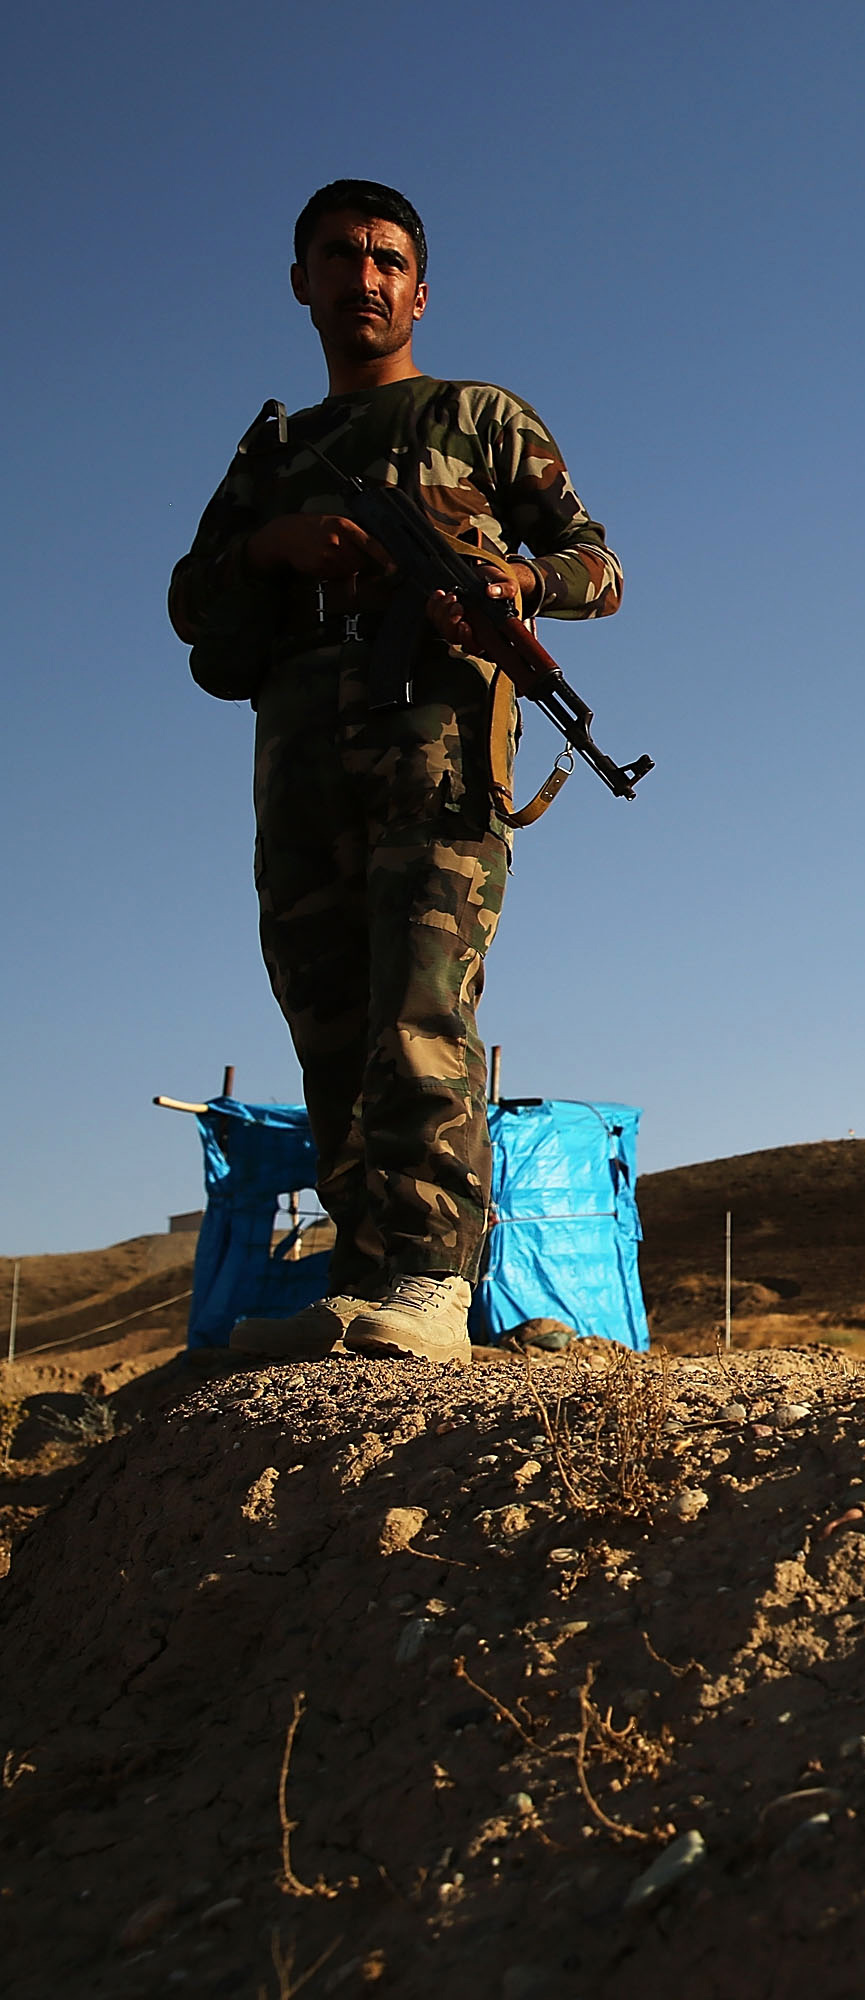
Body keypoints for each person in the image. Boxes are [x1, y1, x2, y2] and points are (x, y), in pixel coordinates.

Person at [168, 180, 623, 1365]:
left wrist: (518, 584)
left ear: (418, 289)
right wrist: (275, 545)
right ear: (302, 282)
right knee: (328, 1014)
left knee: (421, 1001)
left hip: (437, 739)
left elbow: (598, 563)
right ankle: (362, 1267)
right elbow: (190, 602)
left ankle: (427, 1276)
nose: (363, 277)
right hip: (302, 757)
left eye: (385, 259)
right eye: (339, 256)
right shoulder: (272, 455)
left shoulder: (478, 416)